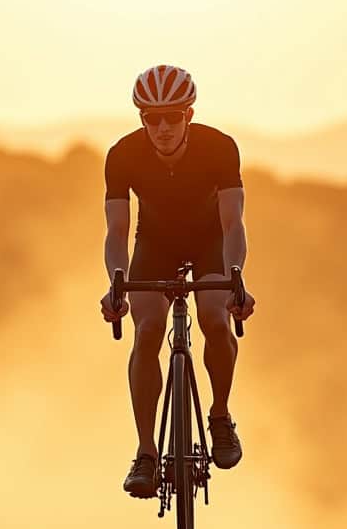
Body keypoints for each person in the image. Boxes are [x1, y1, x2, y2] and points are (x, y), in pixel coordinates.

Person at [98, 64, 254, 499]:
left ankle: (219, 417)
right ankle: (146, 453)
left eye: (172, 116)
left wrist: (235, 279)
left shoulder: (219, 147)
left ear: (189, 114)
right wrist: (117, 284)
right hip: (155, 244)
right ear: (142, 118)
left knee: (214, 319)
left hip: (209, 242)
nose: (163, 127)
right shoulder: (123, 155)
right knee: (148, 330)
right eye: (152, 118)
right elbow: (116, 231)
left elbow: (232, 223)